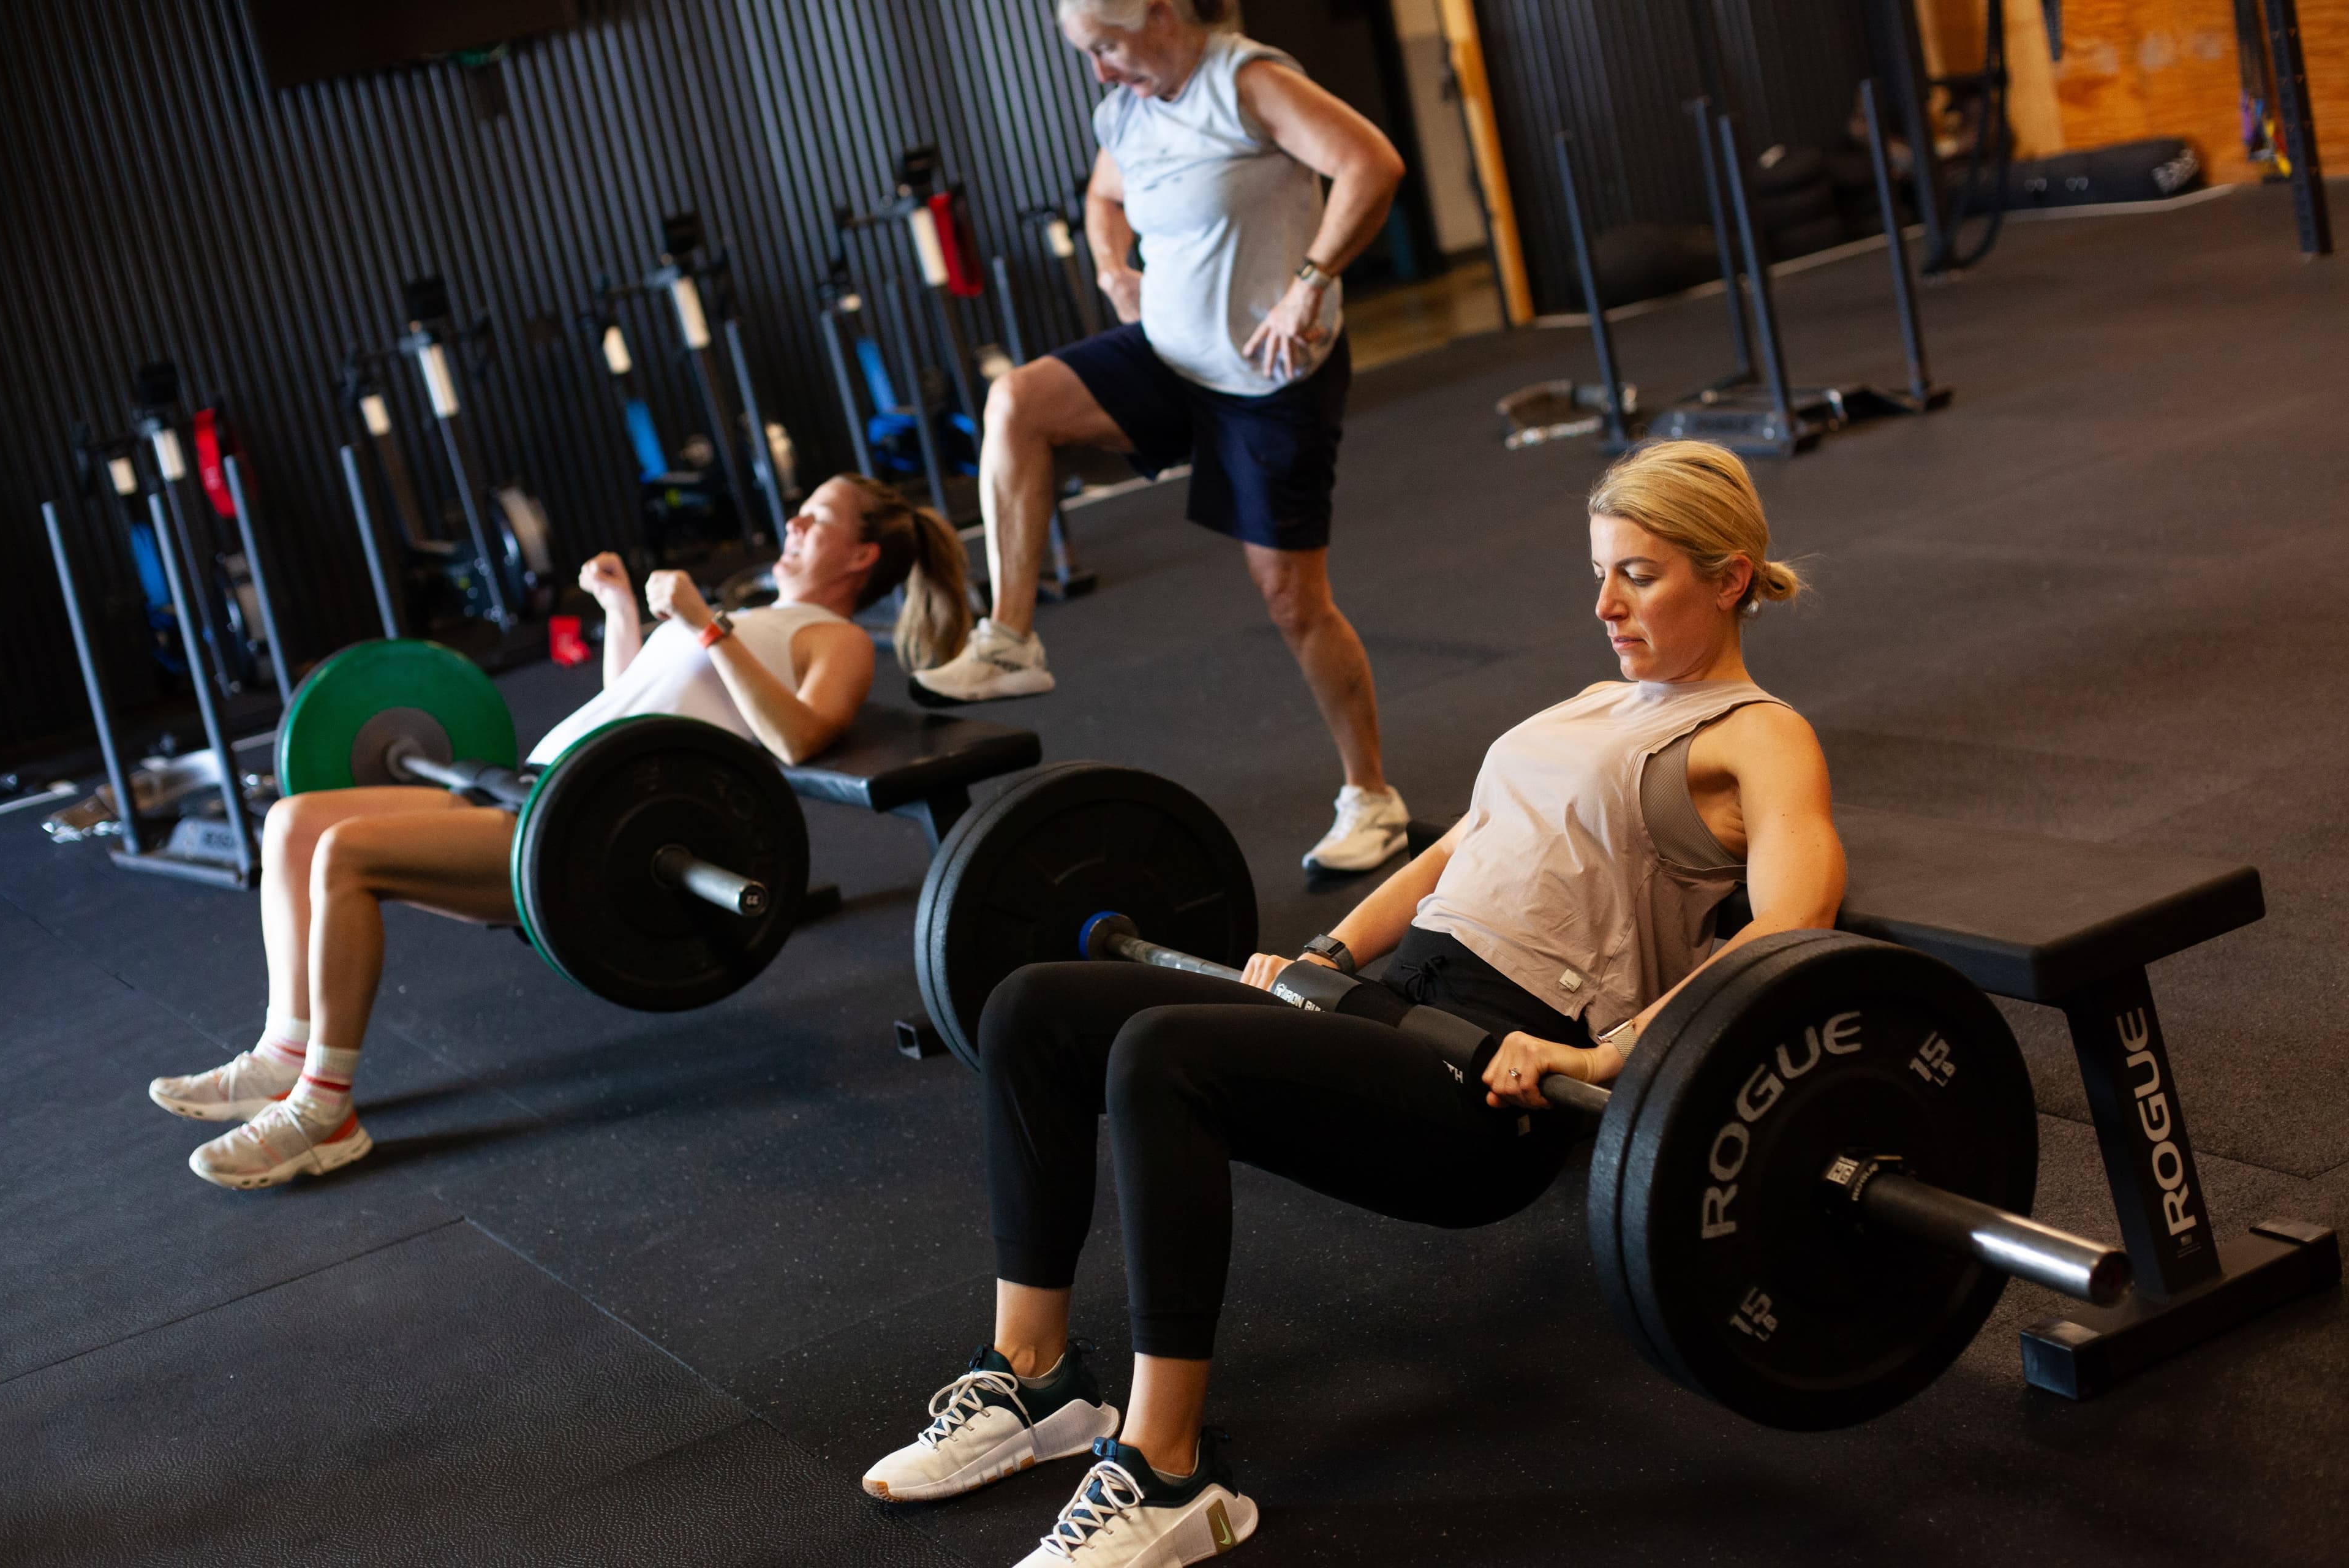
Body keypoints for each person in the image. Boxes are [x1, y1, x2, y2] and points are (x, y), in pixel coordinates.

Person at [862, 442, 1846, 1567]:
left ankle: (1169, 1471)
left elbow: (1791, 926)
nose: (1604, 602)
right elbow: (1457, 848)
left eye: (1640, 574)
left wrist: (1604, 1059)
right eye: (1601, 571)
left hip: (1491, 1083)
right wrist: (1320, 950)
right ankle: (1039, 1383)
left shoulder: (1758, 734)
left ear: (1726, 579)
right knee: (1031, 1005)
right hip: (1390, 1004)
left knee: (1159, 1055)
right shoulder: (1593, 702)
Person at [148, 475, 969, 1191]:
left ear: (862, 558)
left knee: (346, 853)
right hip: (545, 792)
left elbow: (796, 736)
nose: (792, 525)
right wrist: (623, 612)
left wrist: (707, 627)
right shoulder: (749, 614)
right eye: (800, 512)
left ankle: (326, 1110)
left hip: (594, 840)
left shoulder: (836, 639)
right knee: (294, 821)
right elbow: (634, 704)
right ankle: (283, 1054)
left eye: (817, 518)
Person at [911, 0, 1415, 876]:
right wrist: (1114, 267)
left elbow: (1370, 163)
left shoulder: (1247, 81)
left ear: (1160, 14)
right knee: (1017, 402)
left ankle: (1372, 797)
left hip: (1269, 376)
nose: (1100, 72)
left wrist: (1311, 279)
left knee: (1293, 601)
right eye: (1088, 55)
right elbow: (1104, 197)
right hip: (1168, 354)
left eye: (1106, 47)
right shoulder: (1128, 110)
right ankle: (1011, 638)